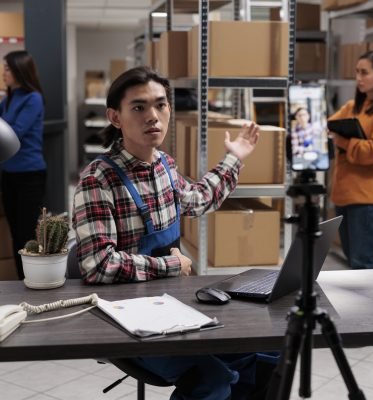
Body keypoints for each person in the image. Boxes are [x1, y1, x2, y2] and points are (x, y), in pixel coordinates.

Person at [72, 66, 278, 400]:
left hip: (174, 305)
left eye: (160, 105)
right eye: (139, 107)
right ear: (115, 117)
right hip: (126, 318)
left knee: (266, 352)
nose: (153, 116)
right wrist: (172, 265)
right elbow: (98, 266)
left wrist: (233, 159)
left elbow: (196, 201)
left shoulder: (164, 165)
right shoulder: (98, 180)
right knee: (211, 377)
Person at [329, 50, 373, 269]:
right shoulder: (352, 107)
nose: (358, 78)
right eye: (357, 72)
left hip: (366, 200)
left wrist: (344, 143)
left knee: (363, 268)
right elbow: (328, 126)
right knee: (353, 267)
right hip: (343, 196)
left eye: (364, 72)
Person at [0, 50, 46, 280]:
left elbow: (14, 133)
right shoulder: (8, 99)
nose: (3, 72)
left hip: (30, 175)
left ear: (19, 70)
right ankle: (22, 282)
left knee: (26, 235)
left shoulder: (33, 98)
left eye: (7, 68)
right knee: (15, 234)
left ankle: (32, 281)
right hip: (8, 175)